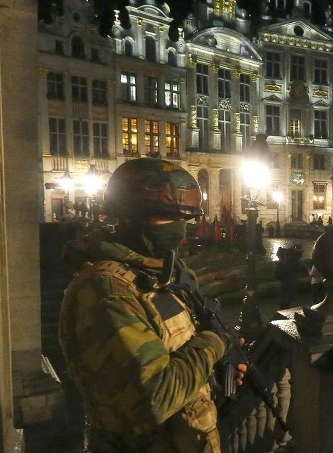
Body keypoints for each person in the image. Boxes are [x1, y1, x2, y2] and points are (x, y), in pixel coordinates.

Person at [58, 158, 244, 452]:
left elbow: (176, 345)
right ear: (129, 216)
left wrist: (215, 370)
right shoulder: (107, 288)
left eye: (185, 218)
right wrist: (216, 342)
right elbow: (156, 397)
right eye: (166, 216)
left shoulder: (164, 271)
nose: (179, 228)